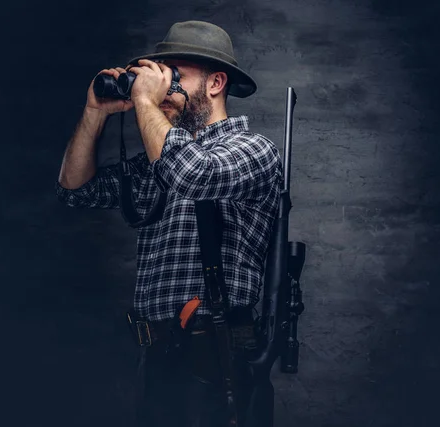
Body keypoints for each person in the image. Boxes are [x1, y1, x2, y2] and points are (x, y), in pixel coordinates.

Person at [55, 20, 283, 427]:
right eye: (158, 73)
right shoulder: (157, 159)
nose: (162, 85)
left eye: (175, 74)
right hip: (157, 360)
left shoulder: (253, 149)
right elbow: (76, 191)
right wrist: (94, 113)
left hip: (215, 360)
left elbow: (192, 175)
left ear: (215, 83)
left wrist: (144, 102)